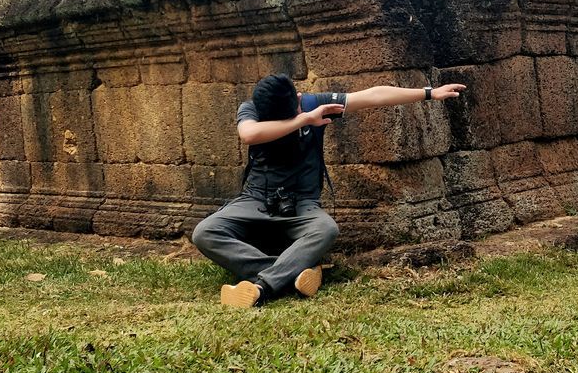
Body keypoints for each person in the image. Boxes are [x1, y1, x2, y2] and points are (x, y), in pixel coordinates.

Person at [191, 73, 467, 307]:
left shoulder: (314, 102)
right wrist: (305, 120)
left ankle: (262, 286)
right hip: (254, 200)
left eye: (297, 112)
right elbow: (249, 134)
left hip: (301, 203)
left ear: (298, 98)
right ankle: (297, 271)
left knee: (326, 230)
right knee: (204, 232)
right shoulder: (251, 109)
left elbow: (372, 95)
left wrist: (430, 93)